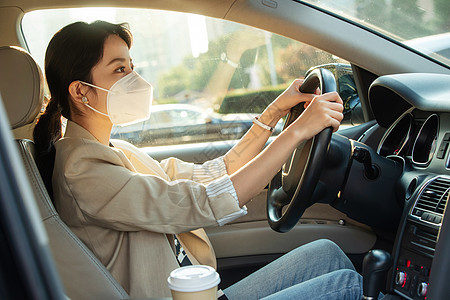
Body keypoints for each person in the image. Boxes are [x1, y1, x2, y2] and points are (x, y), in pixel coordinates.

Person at [33, 21, 362, 299]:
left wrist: (275, 113)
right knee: (346, 284)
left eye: (132, 67)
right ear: (80, 91)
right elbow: (202, 202)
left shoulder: (116, 151)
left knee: (328, 255)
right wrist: (297, 134)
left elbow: (212, 175)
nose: (134, 79)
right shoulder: (82, 171)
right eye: (119, 69)